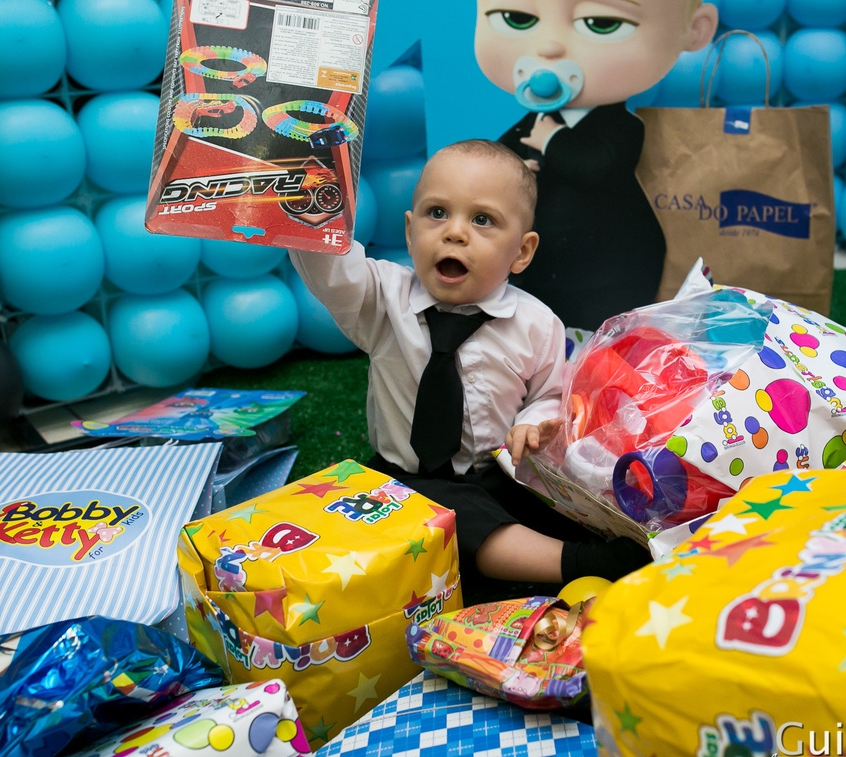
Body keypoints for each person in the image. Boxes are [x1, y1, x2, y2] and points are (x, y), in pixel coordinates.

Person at [290, 139, 650, 595]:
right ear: (409, 232)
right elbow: (331, 272)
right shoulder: (382, 299)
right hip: (404, 483)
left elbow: (549, 395)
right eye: (437, 213)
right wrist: (304, 213)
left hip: (498, 474)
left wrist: (532, 424)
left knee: (540, 506)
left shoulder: (536, 323)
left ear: (522, 251)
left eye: (482, 220)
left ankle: (545, 553)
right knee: (444, 516)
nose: (455, 233)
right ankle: (576, 564)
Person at [474, 0, 718, 331]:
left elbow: (597, 166)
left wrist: (552, 141)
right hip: (543, 267)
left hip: (607, 271)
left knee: (604, 332)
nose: (549, 47)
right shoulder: (533, 121)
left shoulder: (623, 127)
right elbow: (500, 156)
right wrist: (515, 171)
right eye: (518, 18)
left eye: (601, 23)